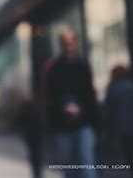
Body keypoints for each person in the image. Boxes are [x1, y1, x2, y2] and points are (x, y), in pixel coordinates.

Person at [45, 27, 99, 178]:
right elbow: (51, 96)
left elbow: (90, 93)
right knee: (70, 169)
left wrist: (87, 114)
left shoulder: (83, 66)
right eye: (65, 43)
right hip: (62, 126)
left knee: (87, 167)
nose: (68, 46)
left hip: (84, 123)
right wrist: (63, 107)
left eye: (71, 42)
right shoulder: (54, 68)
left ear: (75, 43)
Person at [104, 65, 133, 174]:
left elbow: (108, 110)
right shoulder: (132, 86)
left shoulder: (112, 88)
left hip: (121, 125)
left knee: (128, 151)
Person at [14, 93, 44, 178]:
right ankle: (37, 173)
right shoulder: (28, 107)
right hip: (34, 135)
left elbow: (18, 121)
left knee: (35, 156)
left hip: (34, 135)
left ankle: (37, 173)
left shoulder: (26, 107)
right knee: (36, 156)